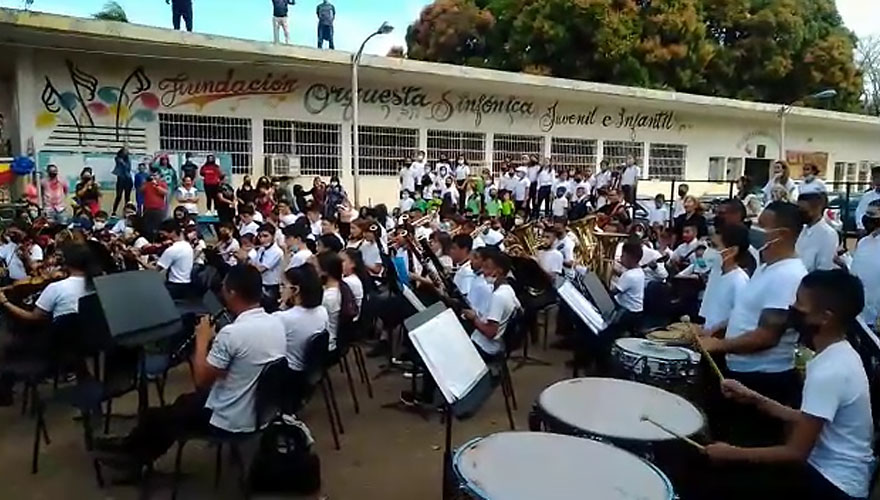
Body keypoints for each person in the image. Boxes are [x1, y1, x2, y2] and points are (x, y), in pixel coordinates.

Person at [703, 270, 874, 500]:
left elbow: (795, 453)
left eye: (799, 303)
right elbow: (807, 419)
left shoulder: (831, 371)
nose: (792, 308)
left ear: (825, 317)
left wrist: (731, 453)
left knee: (719, 484)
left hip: (833, 483)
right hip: (825, 471)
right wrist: (754, 398)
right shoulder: (839, 353)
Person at [94, 265, 285, 464]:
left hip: (230, 420)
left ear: (232, 293)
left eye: (224, 287)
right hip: (258, 413)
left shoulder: (232, 333)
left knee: (158, 418)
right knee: (182, 403)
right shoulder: (276, 323)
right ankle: (131, 450)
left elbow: (201, 381)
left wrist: (202, 340)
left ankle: (131, 458)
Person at [700, 201, 808, 446]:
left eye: (762, 226)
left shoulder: (788, 275)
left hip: (763, 380)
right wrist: (716, 330)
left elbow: (767, 336)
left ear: (782, 234)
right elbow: (747, 312)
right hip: (743, 372)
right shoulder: (767, 267)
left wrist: (718, 345)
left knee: (747, 445)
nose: (754, 230)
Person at [460, 249, 521, 358]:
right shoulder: (508, 289)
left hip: (486, 347)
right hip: (492, 344)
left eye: (487, 268)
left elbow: (490, 332)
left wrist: (474, 318)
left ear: (498, 271)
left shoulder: (498, 296)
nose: (483, 271)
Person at [699, 224, 753, 336]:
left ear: (732, 251)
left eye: (714, 246)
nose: (709, 250)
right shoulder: (716, 272)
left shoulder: (739, 281)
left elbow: (739, 317)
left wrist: (713, 332)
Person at [274, 263, 330, 371]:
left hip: (289, 371)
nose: (280, 290)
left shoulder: (282, 318)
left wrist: (282, 306)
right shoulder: (322, 311)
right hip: (311, 369)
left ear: (295, 290)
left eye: (283, 286)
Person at [847, 201, 880, 328]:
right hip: (858, 312)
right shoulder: (864, 242)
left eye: (873, 215)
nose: (868, 219)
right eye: (867, 214)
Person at [151, 219, 195, 299]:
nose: (162, 237)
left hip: (174, 286)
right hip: (186, 285)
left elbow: (154, 270)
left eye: (163, 234)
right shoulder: (188, 246)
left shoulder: (172, 250)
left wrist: (137, 259)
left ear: (172, 232)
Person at [795, 192, 838, 272]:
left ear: (817, 208)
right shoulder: (803, 230)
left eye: (804, 211)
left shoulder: (828, 234)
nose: (800, 214)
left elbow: (825, 268)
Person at [253, 223, 284, 312]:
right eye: (260, 236)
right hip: (260, 283)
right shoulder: (261, 249)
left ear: (273, 236)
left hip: (271, 286)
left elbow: (261, 268)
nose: (262, 239)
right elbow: (254, 264)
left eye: (265, 236)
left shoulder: (277, 252)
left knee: (270, 309)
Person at [141, 167, 168, 240]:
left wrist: (156, 185)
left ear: (159, 176)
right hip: (148, 209)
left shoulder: (162, 183)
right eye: (152, 175)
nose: (153, 177)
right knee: (147, 228)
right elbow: (141, 190)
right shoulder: (147, 183)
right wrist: (146, 182)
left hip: (158, 209)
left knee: (158, 227)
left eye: (155, 175)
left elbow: (165, 192)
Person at [854, 166, 880, 234]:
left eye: (879, 177)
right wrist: (860, 227)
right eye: (875, 178)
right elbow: (860, 212)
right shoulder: (868, 196)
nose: (877, 180)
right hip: (870, 230)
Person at [112, 147, 133, 216]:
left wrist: (123, 163)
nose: (126, 153)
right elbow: (117, 160)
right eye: (124, 152)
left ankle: (127, 212)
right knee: (118, 196)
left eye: (126, 152)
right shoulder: (118, 158)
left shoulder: (128, 159)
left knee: (127, 197)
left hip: (128, 179)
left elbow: (128, 168)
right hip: (121, 179)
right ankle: (114, 212)